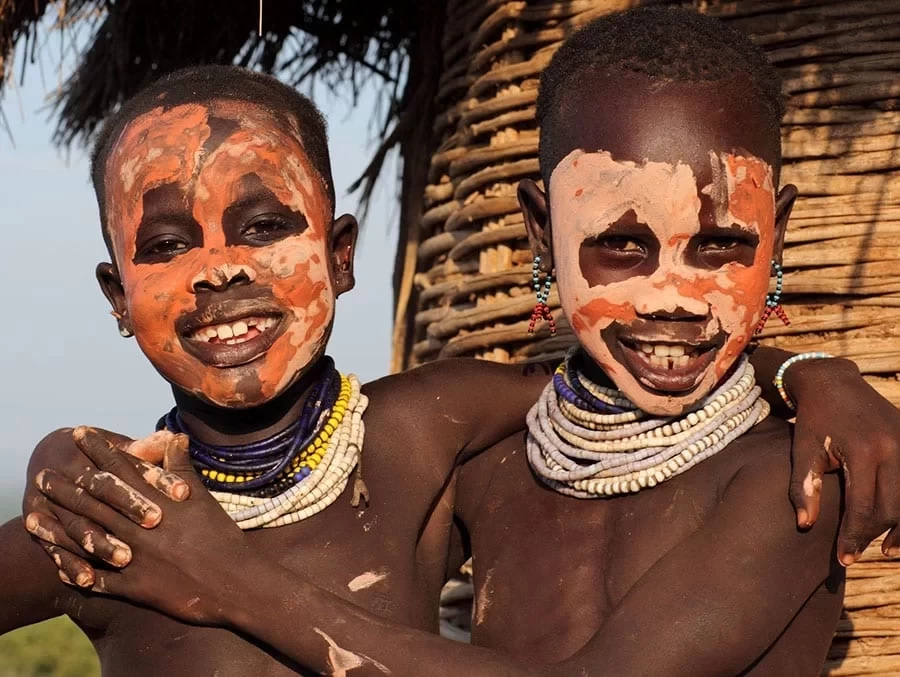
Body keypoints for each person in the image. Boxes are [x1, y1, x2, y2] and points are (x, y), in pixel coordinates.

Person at [14, 14, 900, 673]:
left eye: (722, 246)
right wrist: (66, 459)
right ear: (542, 233)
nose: (669, 293)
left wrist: (822, 372)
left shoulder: (796, 476)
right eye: (621, 244)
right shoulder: (469, 447)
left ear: (343, 253)